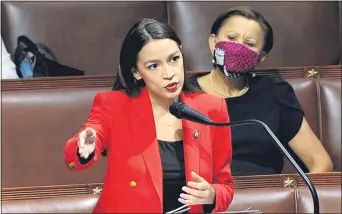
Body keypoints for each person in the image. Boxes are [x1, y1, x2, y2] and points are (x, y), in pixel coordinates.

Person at [64, 18, 234, 213]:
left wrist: (211, 194)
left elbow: (225, 185)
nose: (169, 73)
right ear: (137, 72)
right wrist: (83, 148)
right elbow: (79, 153)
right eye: (154, 66)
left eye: (174, 59)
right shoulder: (114, 105)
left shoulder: (211, 108)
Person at [189, 7, 333, 176]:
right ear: (213, 42)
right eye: (231, 38)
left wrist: (293, 200)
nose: (237, 47)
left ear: (260, 57)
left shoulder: (274, 93)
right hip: (202, 197)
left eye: (249, 44)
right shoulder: (184, 94)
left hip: (262, 197)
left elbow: (321, 163)